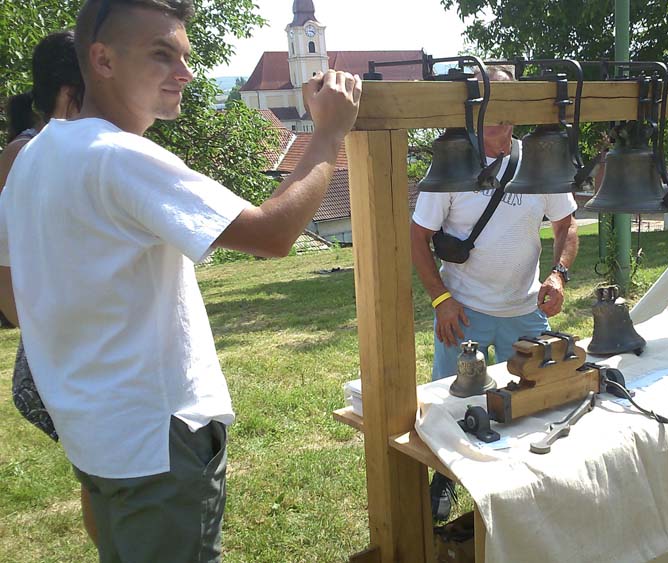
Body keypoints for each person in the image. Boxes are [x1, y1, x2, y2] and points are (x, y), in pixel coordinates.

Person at [0, 1, 361, 561]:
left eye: (185, 57)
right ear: (102, 60)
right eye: (162, 55)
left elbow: (15, 292)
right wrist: (328, 135)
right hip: (155, 440)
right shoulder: (117, 156)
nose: (186, 73)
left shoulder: (32, 155)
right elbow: (272, 235)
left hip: (94, 432)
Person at [410, 64, 580, 521]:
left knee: (534, 403)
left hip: (524, 310)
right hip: (462, 310)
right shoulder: (452, 164)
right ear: (473, 113)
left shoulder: (537, 160)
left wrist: (559, 275)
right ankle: (444, 480)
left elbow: (566, 225)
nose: (500, 125)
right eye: (490, 115)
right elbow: (417, 237)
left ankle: (526, 487)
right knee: (450, 405)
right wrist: (441, 300)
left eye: (507, 114)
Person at [0, 30, 99, 545]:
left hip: (69, 346)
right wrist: (45, 337)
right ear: (69, 92)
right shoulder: (26, 154)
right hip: (57, 353)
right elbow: (6, 263)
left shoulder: (43, 149)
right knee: (99, 473)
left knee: (99, 472)